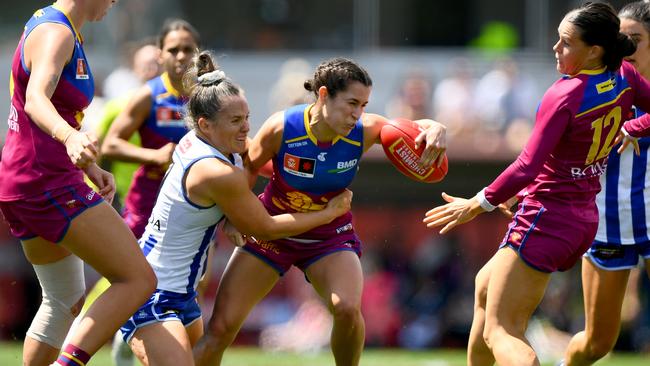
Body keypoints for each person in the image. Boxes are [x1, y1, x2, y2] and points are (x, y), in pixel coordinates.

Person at [423, 2, 647, 365]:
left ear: (595, 50)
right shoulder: (624, 76)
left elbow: (528, 166)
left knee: (501, 330)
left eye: (566, 42)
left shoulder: (566, 94)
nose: (556, 49)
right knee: (484, 291)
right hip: (582, 219)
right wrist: (634, 126)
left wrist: (477, 204)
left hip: (546, 218)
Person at [193, 57, 448, 366]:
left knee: (346, 309)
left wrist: (435, 127)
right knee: (220, 328)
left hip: (328, 238)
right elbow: (246, 166)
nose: (358, 114)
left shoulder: (364, 130)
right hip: (272, 231)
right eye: (352, 103)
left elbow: (410, 127)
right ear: (324, 95)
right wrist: (236, 216)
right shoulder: (282, 127)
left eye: (364, 105)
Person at [119, 50, 353, 366]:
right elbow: (264, 228)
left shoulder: (212, 143)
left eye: (246, 118)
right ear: (205, 124)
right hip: (153, 289)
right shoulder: (217, 170)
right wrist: (330, 213)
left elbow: (249, 168)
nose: (245, 129)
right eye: (235, 121)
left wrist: (231, 214)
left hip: (182, 294)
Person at [0, 1, 157, 366]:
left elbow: (52, 105)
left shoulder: (60, 26)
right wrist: (70, 138)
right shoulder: (57, 33)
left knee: (63, 298)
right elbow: (37, 99)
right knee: (137, 279)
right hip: (45, 180)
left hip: (29, 177)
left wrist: (88, 166)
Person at [563, 2, 650, 365]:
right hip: (609, 224)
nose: (626, 48)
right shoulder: (594, 86)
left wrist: (636, 125)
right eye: (621, 40)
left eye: (635, 40)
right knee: (597, 343)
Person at [101, 19, 199, 240]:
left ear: (197, 53)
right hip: (148, 201)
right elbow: (109, 144)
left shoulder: (208, 97)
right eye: (173, 50)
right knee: (135, 273)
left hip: (196, 202)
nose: (181, 56)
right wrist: (155, 155)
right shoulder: (148, 95)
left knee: (197, 274)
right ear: (161, 55)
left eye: (188, 49)